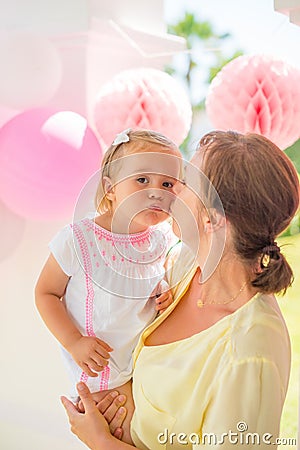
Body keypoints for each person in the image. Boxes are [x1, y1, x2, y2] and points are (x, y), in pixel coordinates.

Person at [61, 130, 299, 449]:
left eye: (184, 183)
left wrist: (101, 441)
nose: (169, 192)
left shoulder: (249, 353)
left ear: (212, 219)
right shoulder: (186, 265)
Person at [35, 129, 182, 444]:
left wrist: (166, 290)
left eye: (167, 184)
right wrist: (74, 342)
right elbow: (46, 293)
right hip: (102, 372)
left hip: (144, 369)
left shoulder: (162, 239)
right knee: (121, 434)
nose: (155, 192)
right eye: (142, 180)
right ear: (110, 188)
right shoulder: (79, 239)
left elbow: (159, 280)